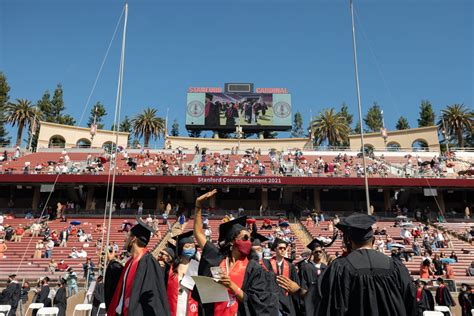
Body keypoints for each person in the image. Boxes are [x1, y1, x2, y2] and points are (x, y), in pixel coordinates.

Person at [193, 189, 278, 316]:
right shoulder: (218, 258)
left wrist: (232, 286)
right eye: (244, 238)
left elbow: (258, 303)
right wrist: (198, 205)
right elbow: (199, 233)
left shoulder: (254, 269)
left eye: (249, 238)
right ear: (232, 241)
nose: (248, 241)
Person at [318, 213, 416, 316]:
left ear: (349, 241)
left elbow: (329, 304)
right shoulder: (396, 266)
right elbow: (410, 301)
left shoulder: (340, 267)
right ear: (373, 240)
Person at [105, 218, 170, 316]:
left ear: (133, 239)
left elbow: (153, 300)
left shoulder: (149, 264)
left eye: (127, 236)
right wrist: (112, 262)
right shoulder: (131, 262)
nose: (125, 239)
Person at [262, 238, 300, 316]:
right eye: (280, 248)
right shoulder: (267, 264)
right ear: (275, 249)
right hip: (271, 300)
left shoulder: (290, 266)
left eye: (284, 248)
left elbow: (295, 283)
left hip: (286, 300)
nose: (282, 250)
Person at [165, 231, 199, 316]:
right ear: (180, 248)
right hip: (174, 305)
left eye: (193, 246)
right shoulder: (170, 268)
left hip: (191, 306)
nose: (191, 248)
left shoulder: (197, 267)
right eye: (187, 246)